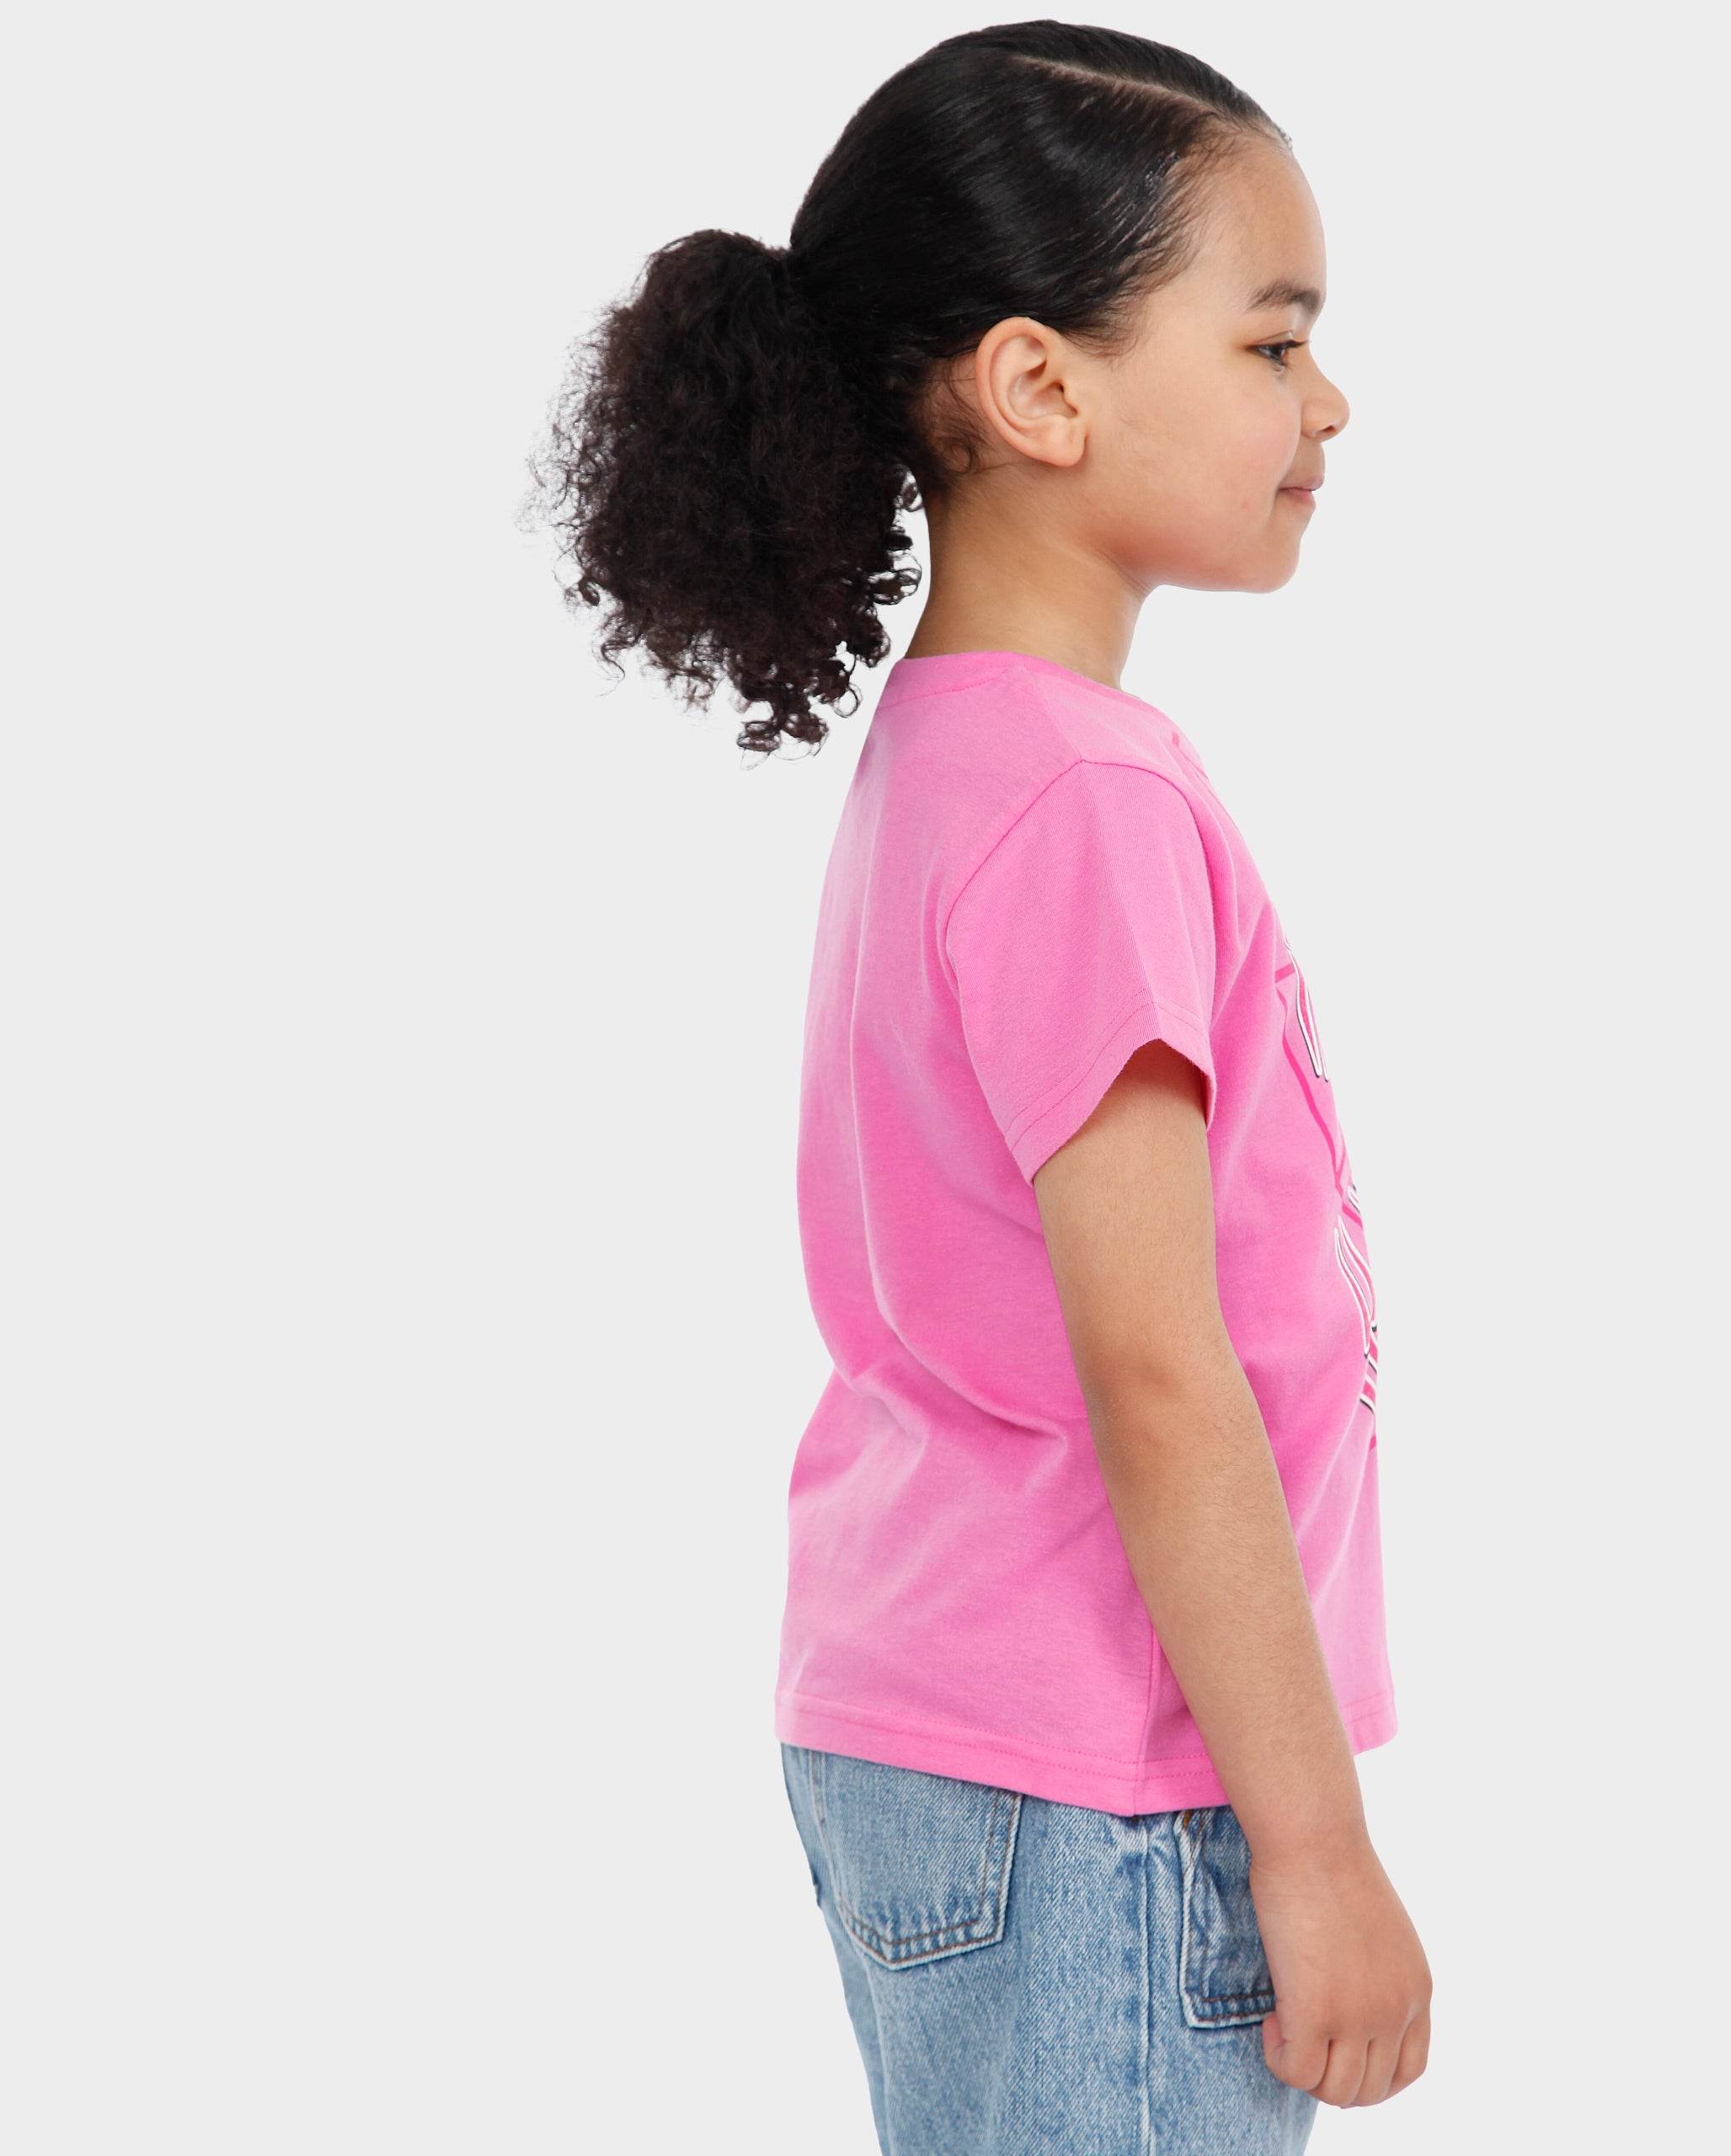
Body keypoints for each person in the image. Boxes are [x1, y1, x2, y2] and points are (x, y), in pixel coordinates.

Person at [524, 20, 1430, 2149]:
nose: (1326, 403)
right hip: (1093, 1787)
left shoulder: (958, 750)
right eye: (1271, 341)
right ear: (1040, 387)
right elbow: (1157, 1366)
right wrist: (1313, 1849)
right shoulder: (1079, 796)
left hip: (951, 1730)